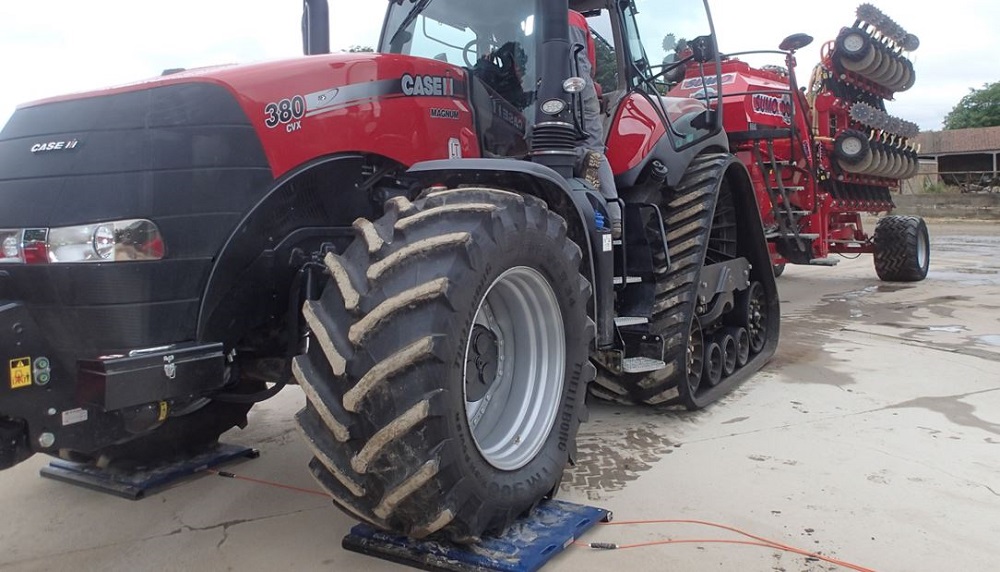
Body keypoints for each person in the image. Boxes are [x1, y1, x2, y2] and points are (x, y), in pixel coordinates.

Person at [568, 10, 622, 238]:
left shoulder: (558, 18)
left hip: (571, 89)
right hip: (580, 89)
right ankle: (612, 214)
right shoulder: (575, 18)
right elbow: (590, 64)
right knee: (591, 151)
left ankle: (607, 214)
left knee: (589, 152)